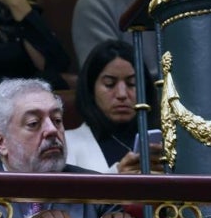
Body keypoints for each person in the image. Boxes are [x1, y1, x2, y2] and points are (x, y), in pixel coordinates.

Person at [0, 78, 140, 218]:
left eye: (57, 120)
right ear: (1, 141)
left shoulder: (96, 188)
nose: (52, 130)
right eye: (34, 123)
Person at [65, 40, 164, 174]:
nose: (122, 94)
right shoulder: (66, 143)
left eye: (132, 83)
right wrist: (117, 176)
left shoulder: (165, 143)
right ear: (90, 90)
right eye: (109, 84)